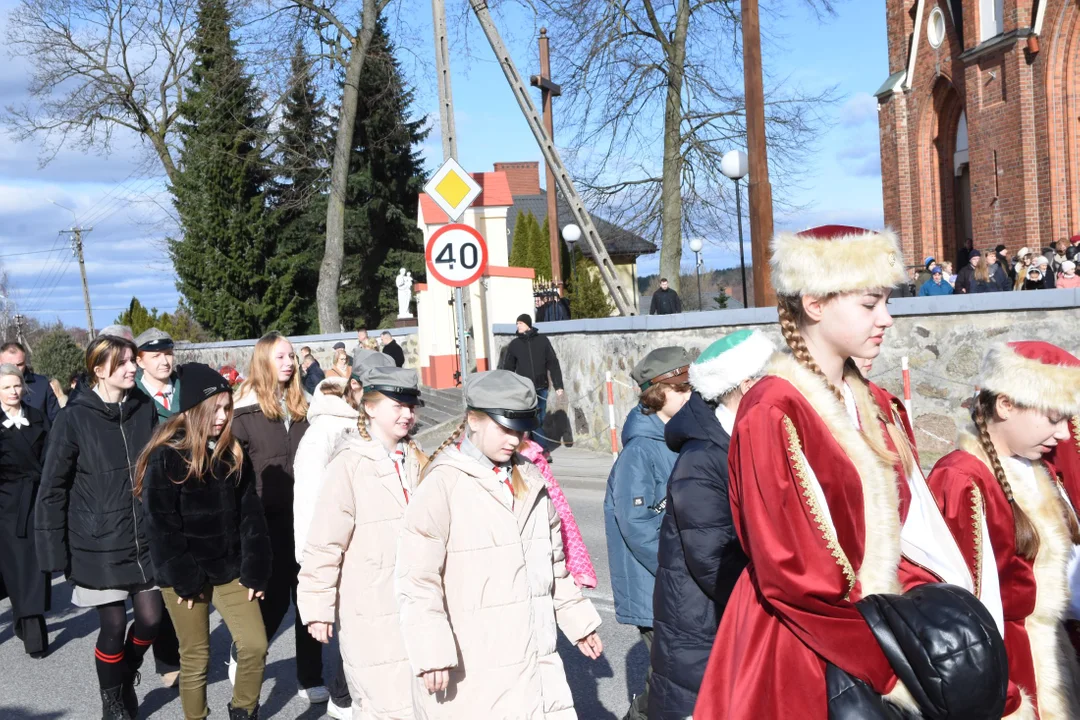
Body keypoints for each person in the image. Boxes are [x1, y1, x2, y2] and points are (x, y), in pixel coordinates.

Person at [693, 225, 983, 719]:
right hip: (804, 645)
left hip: (883, 629)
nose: (887, 319)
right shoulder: (772, 410)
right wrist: (890, 665)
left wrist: (936, 626)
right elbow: (789, 572)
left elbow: (905, 535)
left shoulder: (874, 402)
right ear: (814, 303)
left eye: (887, 303)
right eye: (870, 304)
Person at [395, 370, 603, 718]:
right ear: (473, 420)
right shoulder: (442, 483)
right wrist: (432, 653)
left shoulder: (533, 479)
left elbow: (554, 565)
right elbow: (418, 578)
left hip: (536, 666)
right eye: (505, 427)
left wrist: (578, 622)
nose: (515, 439)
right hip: (475, 671)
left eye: (520, 429)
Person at [925, 342, 1080, 718]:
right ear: (1006, 405)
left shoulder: (1037, 467)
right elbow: (956, 609)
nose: (1063, 434)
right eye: (1053, 418)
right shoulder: (961, 478)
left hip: (1049, 655)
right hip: (1005, 669)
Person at [648, 329, 773, 719]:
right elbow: (714, 561)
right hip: (704, 634)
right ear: (748, 385)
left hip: (730, 626)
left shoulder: (742, 438)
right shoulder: (703, 457)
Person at [36, 334, 162, 719]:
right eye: (122, 362)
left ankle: (125, 673)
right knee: (112, 624)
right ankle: (112, 701)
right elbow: (53, 487)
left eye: (131, 361)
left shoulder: (144, 408)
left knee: (151, 619)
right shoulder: (74, 418)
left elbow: (158, 468)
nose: (131, 368)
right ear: (98, 369)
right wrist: (53, 553)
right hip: (96, 540)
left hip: (142, 535)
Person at [137, 363, 272, 720]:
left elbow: (251, 516)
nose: (224, 416)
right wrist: (184, 577)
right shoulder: (166, 456)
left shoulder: (233, 451)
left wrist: (256, 569)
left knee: (255, 645)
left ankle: (243, 711)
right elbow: (159, 527)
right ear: (195, 410)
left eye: (228, 409)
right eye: (216, 410)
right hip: (185, 577)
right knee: (195, 657)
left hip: (229, 569)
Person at [297, 365, 426, 719]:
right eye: (396, 405)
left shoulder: (418, 457)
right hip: (369, 606)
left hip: (418, 602)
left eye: (411, 405)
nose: (407, 413)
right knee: (385, 704)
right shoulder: (348, 463)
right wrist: (317, 607)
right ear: (369, 407)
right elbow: (325, 542)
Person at [231, 333, 328, 705]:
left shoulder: (307, 408)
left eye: (291, 356)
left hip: (306, 519)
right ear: (263, 362)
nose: (289, 363)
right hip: (266, 524)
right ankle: (247, 654)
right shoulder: (244, 413)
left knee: (307, 598)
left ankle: (310, 675)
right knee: (272, 605)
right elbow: (233, 474)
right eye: (280, 357)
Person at [603, 347, 692, 720]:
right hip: (658, 586)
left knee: (677, 677)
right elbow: (637, 525)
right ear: (659, 393)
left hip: (678, 583)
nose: (691, 394)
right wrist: (680, 571)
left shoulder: (675, 440)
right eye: (682, 387)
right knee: (672, 682)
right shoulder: (640, 451)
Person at [291, 375, 362, 718]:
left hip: (339, 539)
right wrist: (310, 555)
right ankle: (342, 694)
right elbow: (309, 498)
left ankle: (344, 693)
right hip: (337, 540)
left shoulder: (326, 432)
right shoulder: (325, 435)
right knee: (345, 622)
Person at [132, 327, 185, 686]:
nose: (164, 360)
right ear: (139, 361)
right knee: (162, 573)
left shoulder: (187, 385)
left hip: (190, 488)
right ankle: (167, 658)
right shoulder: (132, 396)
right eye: (155, 355)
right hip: (150, 492)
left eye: (168, 352)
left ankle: (189, 647)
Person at [0, 363, 51, 658]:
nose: (12, 391)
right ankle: (28, 624)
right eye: (6, 387)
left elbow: (53, 455)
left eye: (16, 385)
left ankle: (28, 622)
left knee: (34, 565)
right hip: (6, 506)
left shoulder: (38, 418)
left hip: (36, 500)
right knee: (18, 567)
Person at [517, 438, 598, 589]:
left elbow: (561, 512)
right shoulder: (462, 465)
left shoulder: (531, 456)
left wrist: (579, 567)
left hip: (535, 562)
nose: (511, 438)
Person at [500, 314, 565, 452]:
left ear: (528, 324)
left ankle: (532, 448)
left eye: (521, 323)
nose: (518, 326)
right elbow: (508, 369)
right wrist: (508, 388)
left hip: (542, 387)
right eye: (517, 323)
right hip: (524, 389)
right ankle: (543, 450)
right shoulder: (514, 345)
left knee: (539, 419)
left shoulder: (542, 340)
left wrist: (558, 385)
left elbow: (553, 363)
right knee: (532, 418)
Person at [0, 342, 60, 422]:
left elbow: (56, 420)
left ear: (25, 362)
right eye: (10, 365)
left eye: (19, 364)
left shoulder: (42, 384)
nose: (15, 369)